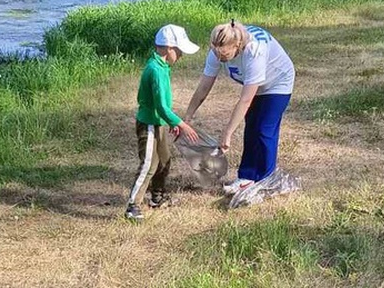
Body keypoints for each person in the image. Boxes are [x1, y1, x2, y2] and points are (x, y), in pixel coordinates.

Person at [184, 20, 295, 195]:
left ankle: (267, 181)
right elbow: (204, 86)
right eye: (217, 54)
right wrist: (187, 116)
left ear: (238, 45)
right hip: (255, 83)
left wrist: (227, 133)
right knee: (251, 128)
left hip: (278, 82)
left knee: (264, 129)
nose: (220, 59)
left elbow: (245, 100)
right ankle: (246, 177)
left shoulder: (254, 51)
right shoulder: (217, 51)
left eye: (225, 56)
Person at [125, 24, 200, 222]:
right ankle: (133, 205)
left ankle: (157, 197)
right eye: (180, 51)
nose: (182, 55)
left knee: (164, 161)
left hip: (158, 124)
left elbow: (164, 106)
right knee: (149, 164)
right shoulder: (155, 70)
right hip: (149, 124)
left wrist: (171, 122)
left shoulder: (163, 66)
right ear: (169, 48)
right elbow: (161, 107)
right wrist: (182, 124)